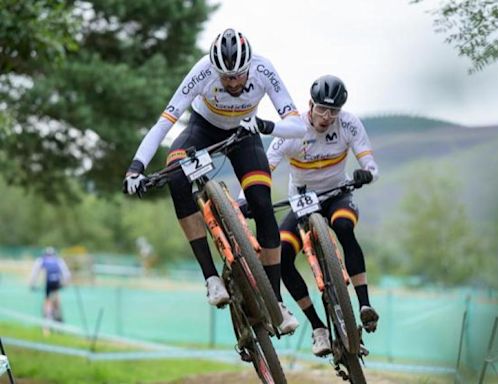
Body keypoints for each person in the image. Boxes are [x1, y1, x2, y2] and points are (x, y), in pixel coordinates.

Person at [123, 28, 306, 334]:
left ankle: (276, 301)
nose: (233, 83)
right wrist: (136, 167)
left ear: (249, 67)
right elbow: (164, 123)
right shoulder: (202, 72)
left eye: (239, 76)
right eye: (226, 77)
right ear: (215, 69)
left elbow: (298, 126)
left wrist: (264, 125)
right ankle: (211, 277)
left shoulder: (264, 69)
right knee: (176, 176)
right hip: (202, 131)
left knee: (262, 204)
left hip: (246, 134)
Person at [265, 75, 380, 356]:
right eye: (321, 109)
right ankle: (318, 328)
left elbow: (371, 165)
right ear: (310, 106)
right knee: (282, 256)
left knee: (343, 226)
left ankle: (364, 304)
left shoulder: (349, 123)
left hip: (336, 195)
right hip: (302, 201)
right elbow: (265, 169)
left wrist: (366, 174)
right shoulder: (293, 130)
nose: (327, 117)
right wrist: (248, 201)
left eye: (334, 111)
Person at [29, 247, 71, 331]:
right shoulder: (58, 260)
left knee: (47, 301)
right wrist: (65, 283)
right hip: (57, 283)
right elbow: (66, 274)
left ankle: (47, 322)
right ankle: (58, 320)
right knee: (56, 298)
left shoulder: (41, 260)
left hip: (48, 283)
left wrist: (32, 284)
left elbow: (35, 272)